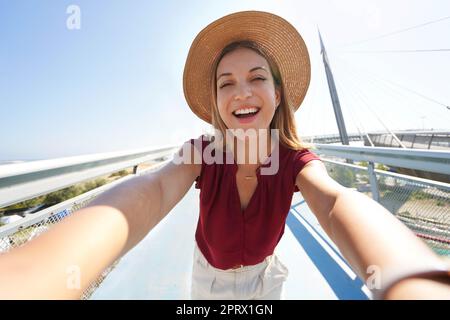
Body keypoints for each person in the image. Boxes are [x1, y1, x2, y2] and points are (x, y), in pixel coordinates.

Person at [0, 11, 448, 300]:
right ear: (216, 102)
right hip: (207, 278)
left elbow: (334, 203)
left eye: (256, 78)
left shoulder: (296, 161)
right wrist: (39, 272)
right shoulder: (200, 154)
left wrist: (410, 280)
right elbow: (154, 189)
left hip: (264, 278)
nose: (242, 93)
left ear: (277, 94)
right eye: (226, 83)